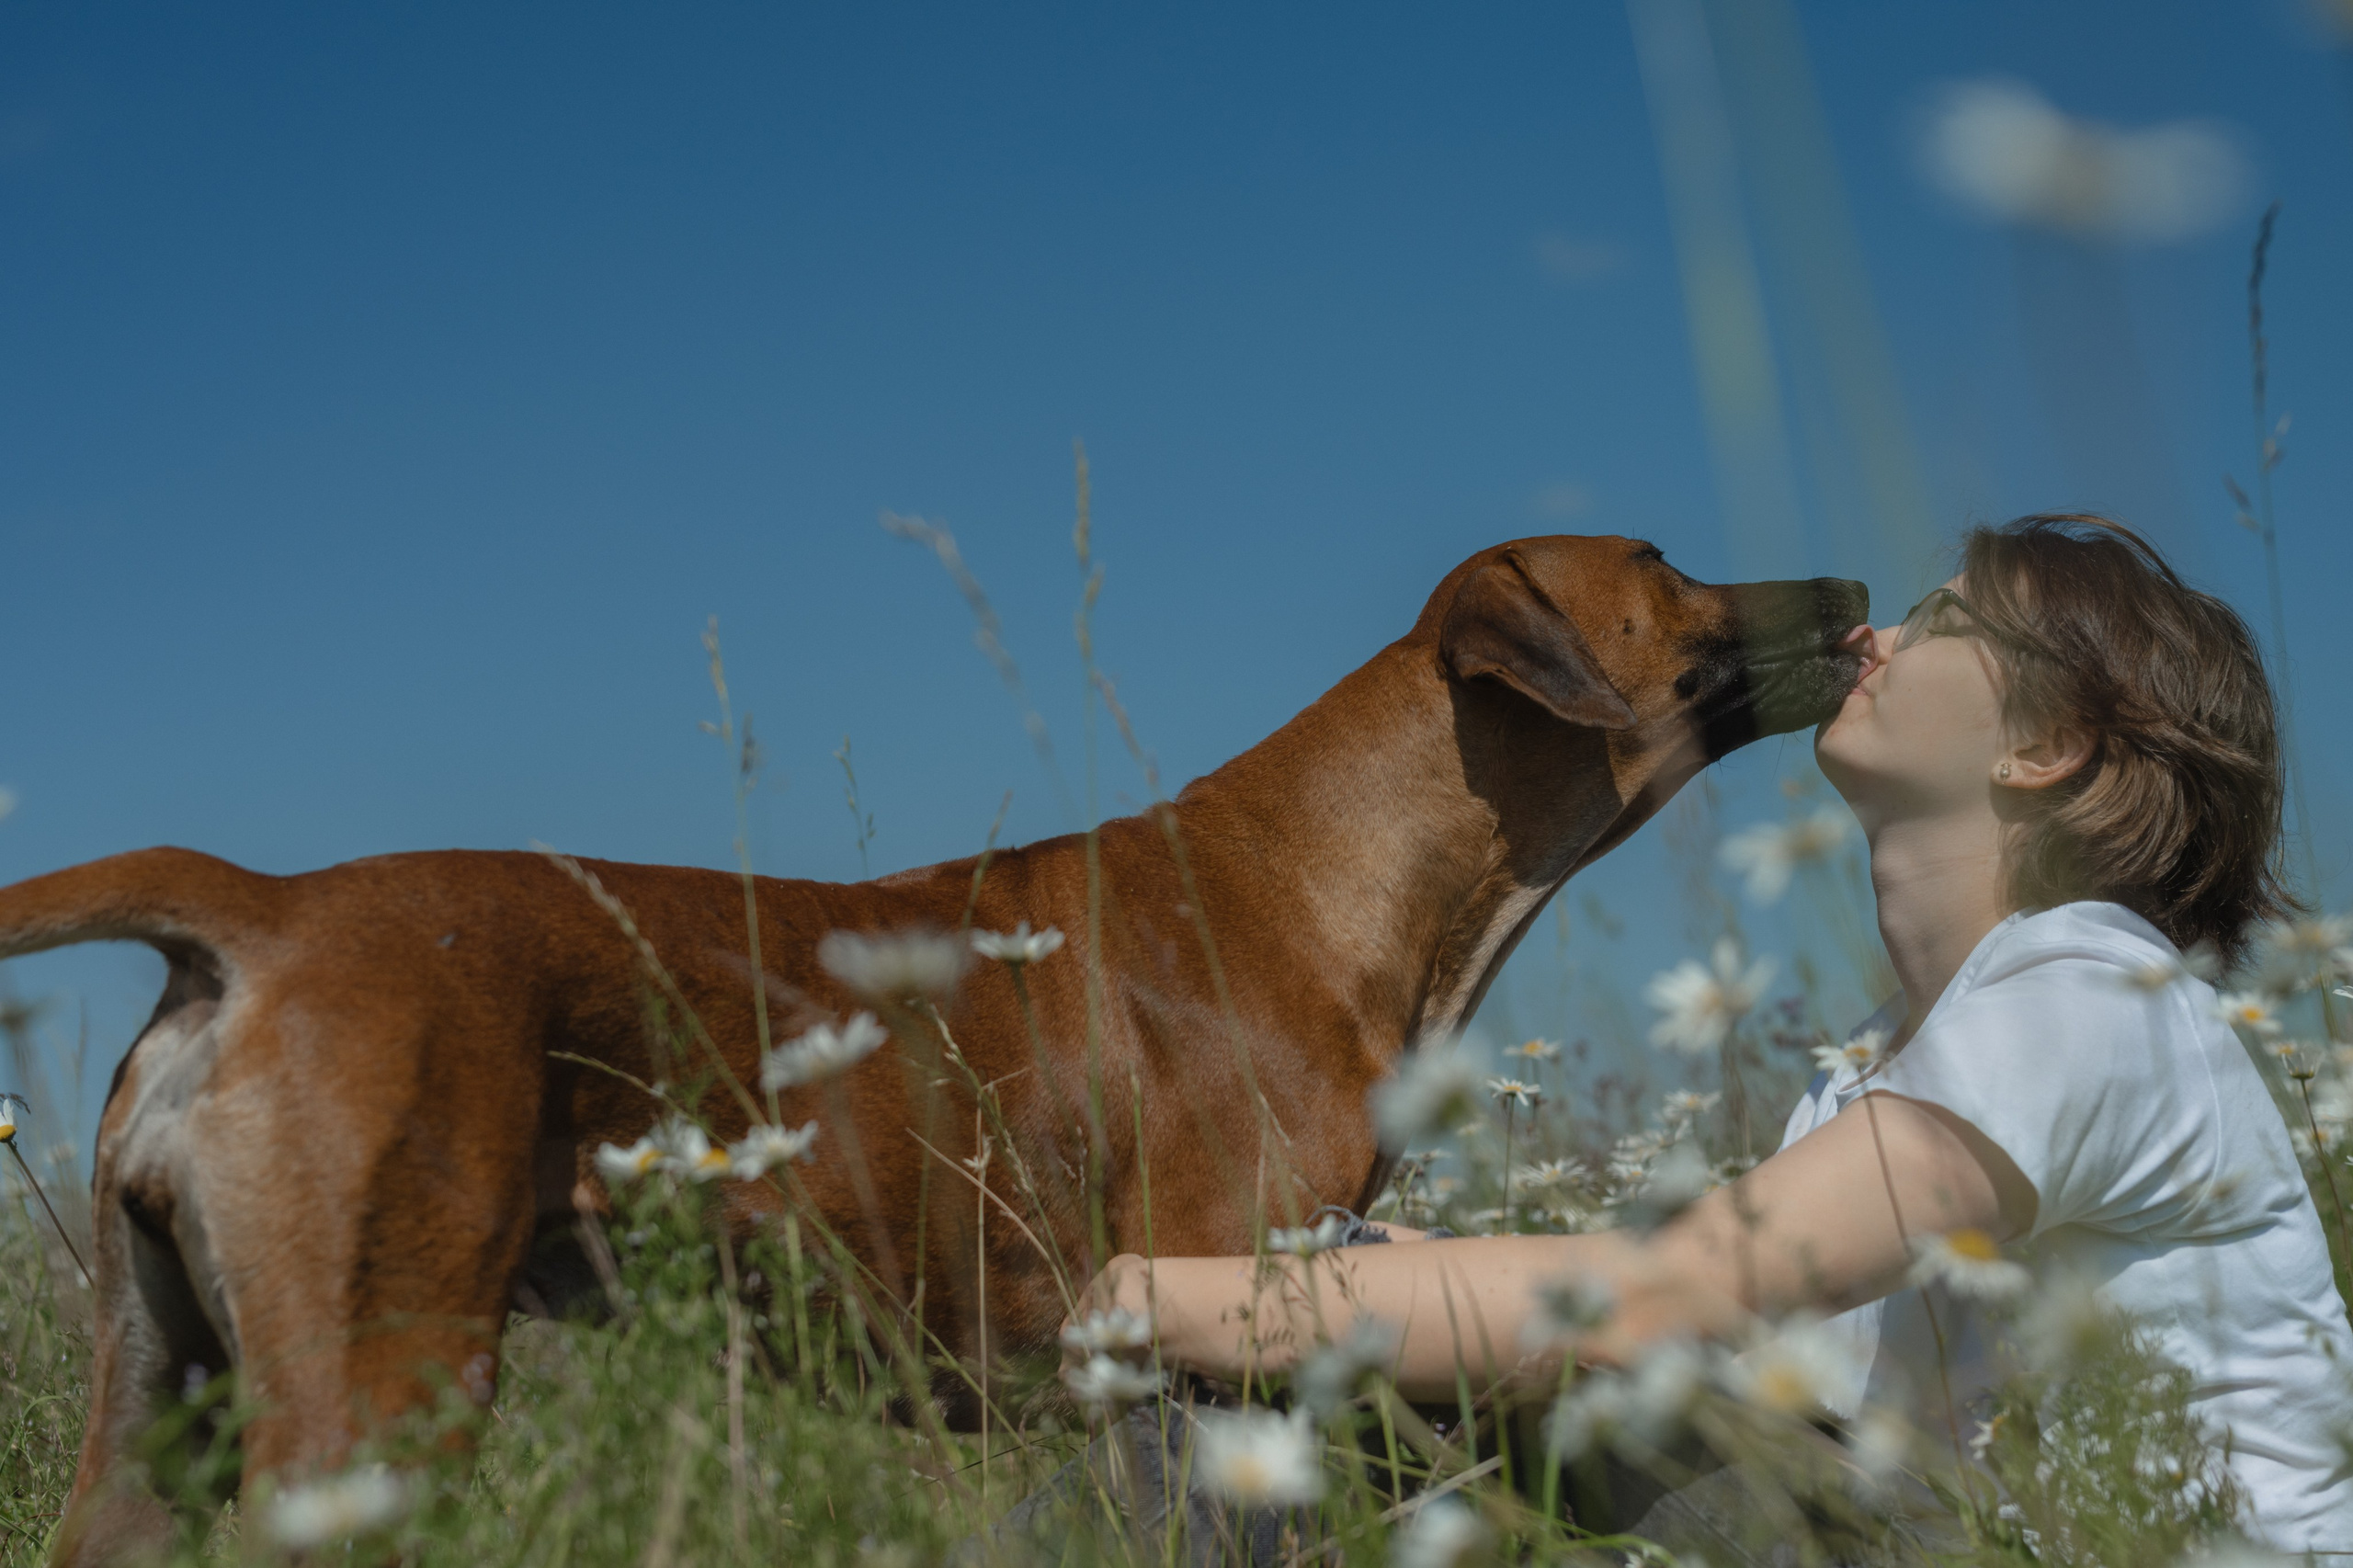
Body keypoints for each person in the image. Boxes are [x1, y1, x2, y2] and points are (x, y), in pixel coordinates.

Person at [1073, 515, 2353, 1552]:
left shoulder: (2086, 989)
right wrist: (1378, 1263)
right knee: (1388, 1370)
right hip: (1959, 1530)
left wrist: (1160, 1295)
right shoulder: (1875, 1060)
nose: (1875, 633)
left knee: (1324, 1369)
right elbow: (1729, 1350)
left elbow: (1663, 1304)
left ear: (2048, 744)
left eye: (1946, 620)